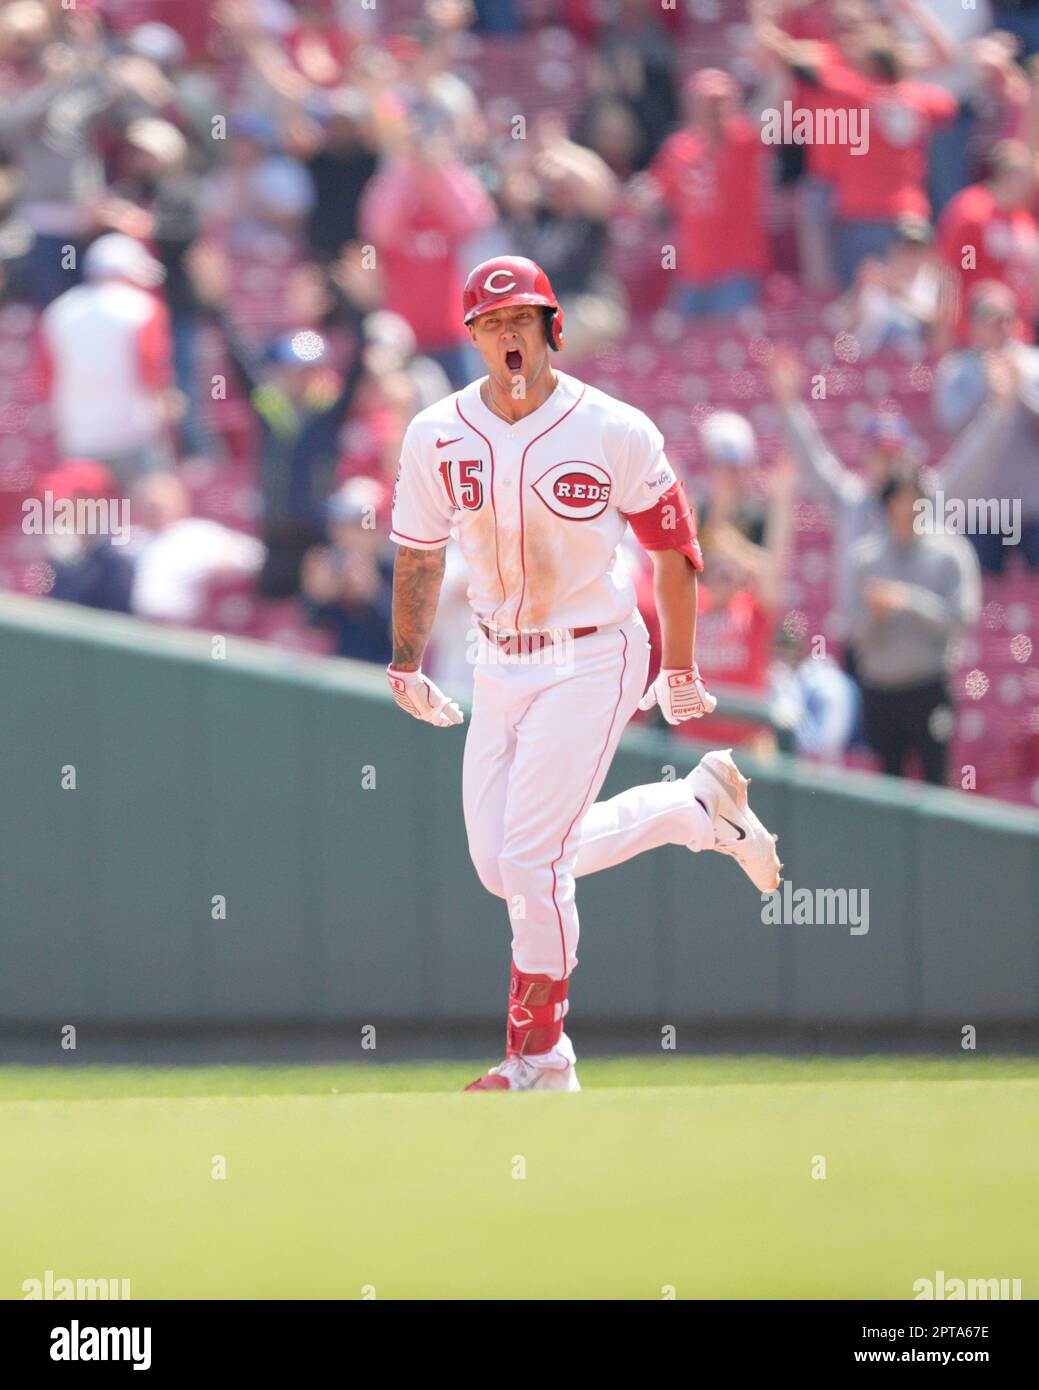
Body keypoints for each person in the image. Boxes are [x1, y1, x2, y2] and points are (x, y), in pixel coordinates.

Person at [386, 255, 782, 1094]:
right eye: (491, 326)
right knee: (501, 865)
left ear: (551, 329)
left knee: (529, 859)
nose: (507, 338)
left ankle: (540, 1058)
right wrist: (405, 659)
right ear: (473, 339)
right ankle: (690, 809)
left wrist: (678, 667)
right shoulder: (436, 433)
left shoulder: (613, 428)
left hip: (594, 649)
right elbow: (418, 552)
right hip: (499, 657)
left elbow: (674, 552)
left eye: (520, 322)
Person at [846, 468, 980, 785]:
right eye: (900, 500)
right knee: (887, 789)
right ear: (887, 504)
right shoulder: (865, 558)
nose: (908, 509)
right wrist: (875, 616)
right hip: (880, 689)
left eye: (915, 500)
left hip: (928, 687)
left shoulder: (951, 554)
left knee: (937, 783)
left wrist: (907, 601)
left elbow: (960, 619)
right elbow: (851, 630)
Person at [38, 233, 175, 488]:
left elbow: (45, 380)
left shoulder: (58, 312)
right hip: (134, 432)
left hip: (79, 435)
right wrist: (166, 408)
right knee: (145, 515)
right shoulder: (142, 308)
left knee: (93, 518)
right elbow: (153, 371)